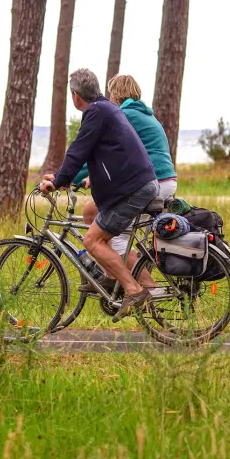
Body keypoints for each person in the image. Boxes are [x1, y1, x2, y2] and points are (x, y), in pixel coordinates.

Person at [40, 69, 159, 322]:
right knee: (96, 220)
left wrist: (58, 181)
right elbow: (91, 154)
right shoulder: (107, 108)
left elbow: (79, 149)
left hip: (132, 189)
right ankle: (126, 282)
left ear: (75, 96)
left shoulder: (96, 112)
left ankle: (134, 290)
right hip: (136, 185)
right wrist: (64, 178)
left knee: (93, 241)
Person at [73, 74, 177, 295]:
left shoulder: (124, 115)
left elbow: (97, 148)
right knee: (91, 212)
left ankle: (146, 289)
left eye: (111, 93)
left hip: (151, 182)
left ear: (116, 94)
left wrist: (72, 177)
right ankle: (114, 277)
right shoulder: (145, 115)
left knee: (116, 237)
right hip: (166, 181)